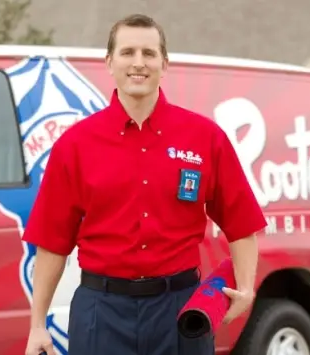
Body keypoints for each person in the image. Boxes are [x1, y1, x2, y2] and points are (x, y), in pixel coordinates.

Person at [23, 13, 267, 355]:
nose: (139, 63)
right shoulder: (75, 144)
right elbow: (51, 242)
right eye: (127, 52)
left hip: (180, 311)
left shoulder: (205, 138)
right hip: (101, 313)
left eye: (149, 54)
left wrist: (245, 287)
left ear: (164, 64)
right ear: (109, 62)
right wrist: (37, 326)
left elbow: (242, 223)